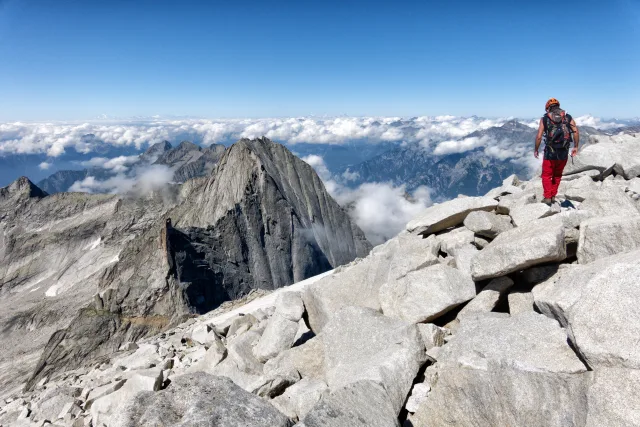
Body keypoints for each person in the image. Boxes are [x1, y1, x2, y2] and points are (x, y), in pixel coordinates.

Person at [534, 98, 579, 205]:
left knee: (546, 175)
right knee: (557, 175)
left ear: (547, 108)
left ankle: (548, 197)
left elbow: (539, 136)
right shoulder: (568, 117)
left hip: (550, 152)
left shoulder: (545, 119)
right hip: (563, 152)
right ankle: (553, 196)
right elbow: (575, 132)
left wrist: (536, 149)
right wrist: (576, 146)